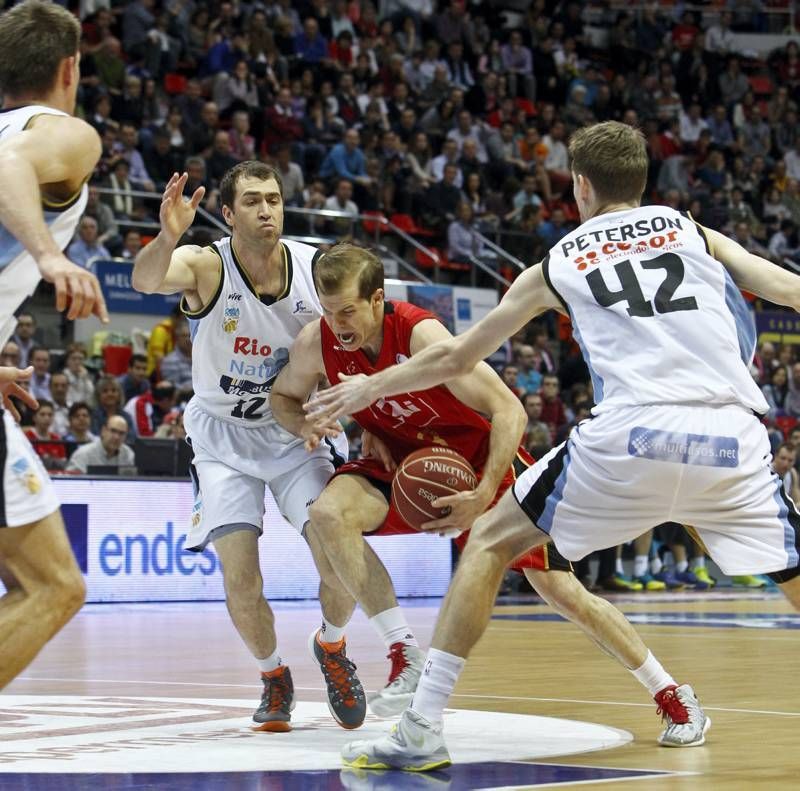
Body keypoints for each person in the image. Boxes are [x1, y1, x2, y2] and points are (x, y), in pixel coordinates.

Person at [308, 121, 800, 770]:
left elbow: (458, 355)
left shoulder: (560, 259)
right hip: (732, 440)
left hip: (631, 436)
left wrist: (368, 384)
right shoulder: (690, 230)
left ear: (581, 186)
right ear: (645, 183)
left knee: (488, 542)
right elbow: (788, 289)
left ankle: (422, 726)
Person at [272, 242, 708, 736]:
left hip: (480, 465)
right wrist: (303, 426)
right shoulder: (317, 343)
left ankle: (671, 692)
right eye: (328, 312)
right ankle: (403, 653)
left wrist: (482, 495)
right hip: (401, 464)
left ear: (377, 300)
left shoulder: (420, 335)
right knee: (329, 514)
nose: (337, 323)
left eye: (347, 310)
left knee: (561, 590)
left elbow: (510, 411)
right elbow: (282, 395)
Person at [131, 161, 366, 733]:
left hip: (295, 432)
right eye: (254, 201)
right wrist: (167, 235)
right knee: (241, 577)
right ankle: (272, 677)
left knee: (340, 556)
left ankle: (332, 647)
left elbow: (367, 317)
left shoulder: (315, 267)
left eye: (275, 200)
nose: (268, 210)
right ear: (229, 214)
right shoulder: (207, 265)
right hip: (220, 439)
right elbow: (143, 281)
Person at [0, 0, 108, 690]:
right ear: (70, 68)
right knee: (54, 586)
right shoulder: (62, 133)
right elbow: (8, 164)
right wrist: (50, 256)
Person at [66, 415, 135, 473]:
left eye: (121, 433)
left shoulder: (128, 455)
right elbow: (71, 483)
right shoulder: (83, 454)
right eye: (113, 431)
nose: (116, 437)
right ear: (103, 431)